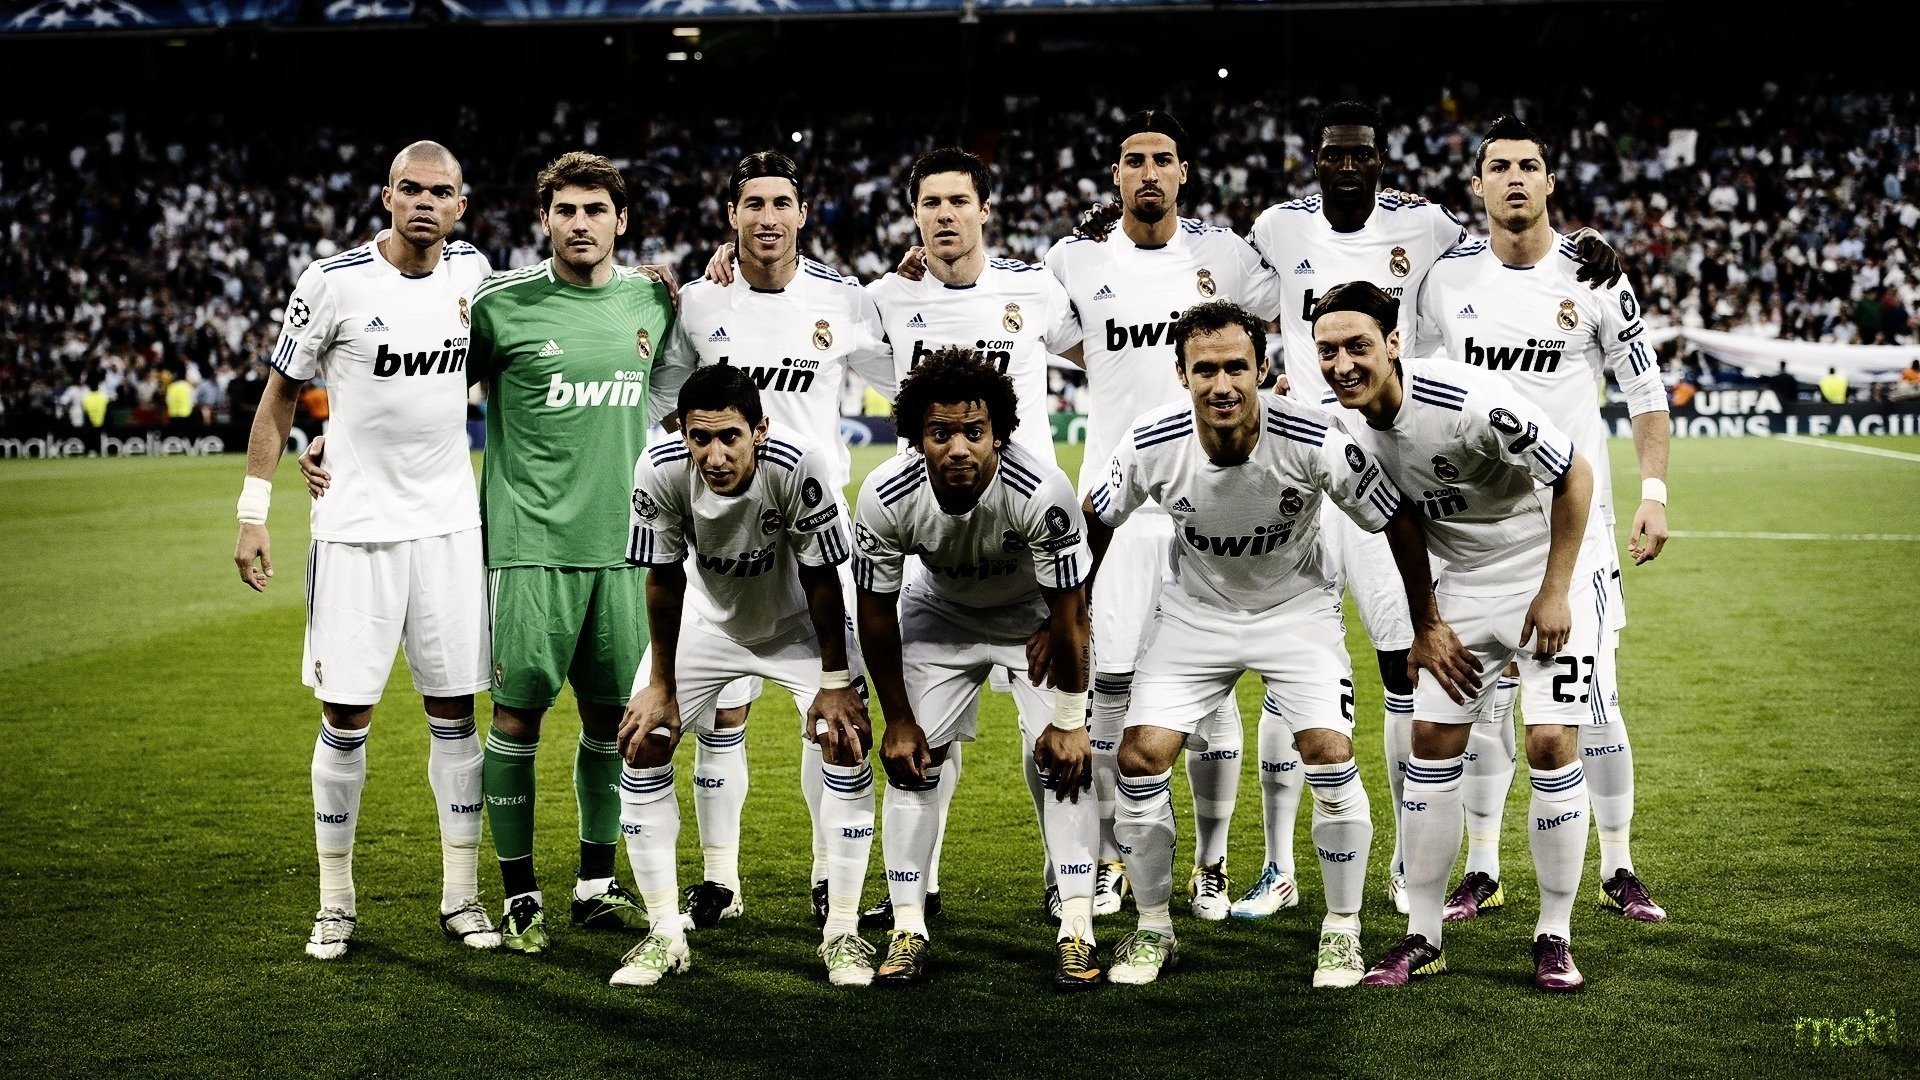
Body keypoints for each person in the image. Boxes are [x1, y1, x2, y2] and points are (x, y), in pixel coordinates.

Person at [1233, 101, 1624, 920]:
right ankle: (1276, 867)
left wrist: (1583, 249)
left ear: (1380, 160)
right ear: (1314, 160)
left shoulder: (1429, 226)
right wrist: (1105, 223)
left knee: (1404, 669)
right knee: (1282, 672)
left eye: (1363, 155)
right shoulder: (1275, 227)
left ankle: (1409, 867)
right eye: (1334, 155)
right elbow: (1201, 271)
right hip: (1302, 463)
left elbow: (1514, 235)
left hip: (1388, 465)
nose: (1348, 167)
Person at [1084, 301, 1415, 987]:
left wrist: (1431, 617)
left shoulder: (1313, 436)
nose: (1223, 384)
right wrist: (1072, 616)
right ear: (1181, 374)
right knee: (1140, 758)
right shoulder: (1151, 441)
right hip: (1195, 614)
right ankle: (1153, 928)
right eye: (1205, 369)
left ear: (1262, 369)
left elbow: (1392, 516)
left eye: (1237, 366)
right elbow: (1098, 515)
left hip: (1296, 610)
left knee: (1328, 752)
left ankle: (1343, 929)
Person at [232, 140, 499, 961]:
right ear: (386, 197)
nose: (425, 201)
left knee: (456, 713)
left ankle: (461, 897)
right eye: (410, 189)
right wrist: (253, 510)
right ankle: (336, 901)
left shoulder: (475, 277)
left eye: (441, 191)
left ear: (462, 203)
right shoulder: (332, 280)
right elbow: (280, 396)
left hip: (450, 529)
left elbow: (503, 369)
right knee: (347, 716)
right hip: (353, 532)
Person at [1417, 114, 1671, 925]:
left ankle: (1618, 866)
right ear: (1480, 184)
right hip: (1475, 536)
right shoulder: (1445, 283)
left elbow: (1646, 395)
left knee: (1590, 706)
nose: (1515, 178)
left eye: (1530, 164)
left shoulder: (1595, 276)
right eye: (1500, 166)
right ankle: (1483, 870)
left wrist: (1655, 494)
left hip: (1573, 534)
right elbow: (1415, 388)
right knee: (1482, 708)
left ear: (1550, 181)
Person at [1313, 281, 1599, 993]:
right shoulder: (1339, 427)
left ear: (1394, 344)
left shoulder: (1469, 402)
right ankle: (1424, 933)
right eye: (1328, 351)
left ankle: (1554, 935)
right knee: (1431, 746)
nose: (1343, 363)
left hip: (1546, 569)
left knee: (1549, 741)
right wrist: (1427, 624)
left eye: (1358, 346)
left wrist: (1557, 587)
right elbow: (1399, 523)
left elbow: (1575, 475)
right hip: (1466, 584)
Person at [1042, 110, 1286, 922]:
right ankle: (1113, 859)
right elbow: (1016, 320)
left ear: (1184, 173)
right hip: (1113, 509)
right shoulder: (1073, 259)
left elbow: (1298, 304)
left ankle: (1212, 865)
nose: (1148, 172)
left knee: (1210, 691)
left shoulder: (1224, 256)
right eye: (1133, 160)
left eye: (1163, 160)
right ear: (1115, 176)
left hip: (1208, 506)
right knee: (1107, 687)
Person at [643, 150, 894, 932]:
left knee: (833, 718)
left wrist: (912, 277)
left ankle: (829, 877)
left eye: (781, 203)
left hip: (815, 538)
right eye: (752, 204)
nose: (767, 218)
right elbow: (659, 397)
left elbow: (909, 370)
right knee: (720, 715)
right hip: (721, 539)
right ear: (732, 216)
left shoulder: (843, 299)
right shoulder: (700, 305)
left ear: (803, 213)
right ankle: (720, 881)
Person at [614, 365, 877, 988]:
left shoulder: (799, 465)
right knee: (643, 741)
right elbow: (663, 576)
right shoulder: (659, 469)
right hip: (708, 624)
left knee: (845, 742)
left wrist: (835, 680)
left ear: (758, 429)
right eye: (699, 438)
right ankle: (663, 934)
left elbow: (821, 578)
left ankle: (842, 933)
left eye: (730, 436)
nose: (715, 453)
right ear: (682, 432)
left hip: (798, 625)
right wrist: (662, 685)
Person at [852, 348, 1099, 990]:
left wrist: (1071, 720)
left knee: (1066, 762)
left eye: (974, 432)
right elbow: (875, 613)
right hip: (940, 616)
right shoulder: (884, 497)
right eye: (940, 434)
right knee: (913, 764)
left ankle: (1077, 927)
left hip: (1031, 621)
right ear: (915, 438)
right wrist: (899, 720)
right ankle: (908, 926)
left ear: (999, 434)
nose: (959, 448)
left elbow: (1072, 607)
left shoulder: (1041, 491)